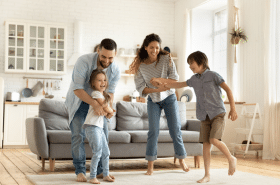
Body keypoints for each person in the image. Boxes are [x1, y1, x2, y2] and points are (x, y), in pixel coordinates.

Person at [152, 51, 238, 183]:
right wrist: (164, 85)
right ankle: (207, 175)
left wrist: (233, 108)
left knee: (214, 140)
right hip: (204, 116)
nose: (190, 66)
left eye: (191, 63)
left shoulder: (213, 75)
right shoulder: (194, 80)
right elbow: (179, 84)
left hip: (217, 114)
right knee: (205, 145)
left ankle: (231, 158)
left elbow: (228, 90)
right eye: (188, 64)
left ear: (201, 62)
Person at [129, 33, 189, 176]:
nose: (154, 50)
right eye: (151, 47)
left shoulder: (166, 58)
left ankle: (181, 159)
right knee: (153, 132)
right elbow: (140, 88)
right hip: (153, 100)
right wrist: (156, 89)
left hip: (169, 98)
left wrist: (160, 81)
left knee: (175, 130)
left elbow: (174, 78)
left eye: (157, 47)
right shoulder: (141, 65)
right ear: (145, 47)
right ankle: (150, 165)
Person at [65, 38, 120, 182]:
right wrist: (95, 104)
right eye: (103, 56)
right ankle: (80, 171)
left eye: (110, 57)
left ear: (115, 55)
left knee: (104, 136)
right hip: (79, 101)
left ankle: (101, 171)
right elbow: (78, 88)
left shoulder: (115, 69)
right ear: (98, 51)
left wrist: (108, 108)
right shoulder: (83, 61)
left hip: (100, 103)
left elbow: (111, 93)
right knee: (78, 136)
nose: (107, 61)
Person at [84, 69, 115, 184]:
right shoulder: (95, 93)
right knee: (97, 152)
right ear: (93, 83)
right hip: (91, 126)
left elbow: (107, 113)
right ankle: (92, 177)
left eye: (104, 80)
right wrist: (110, 111)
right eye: (99, 80)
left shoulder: (103, 95)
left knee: (106, 152)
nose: (103, 82)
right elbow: (106, 108)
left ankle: (106, 174)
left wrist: (110, 112)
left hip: (99, 127)